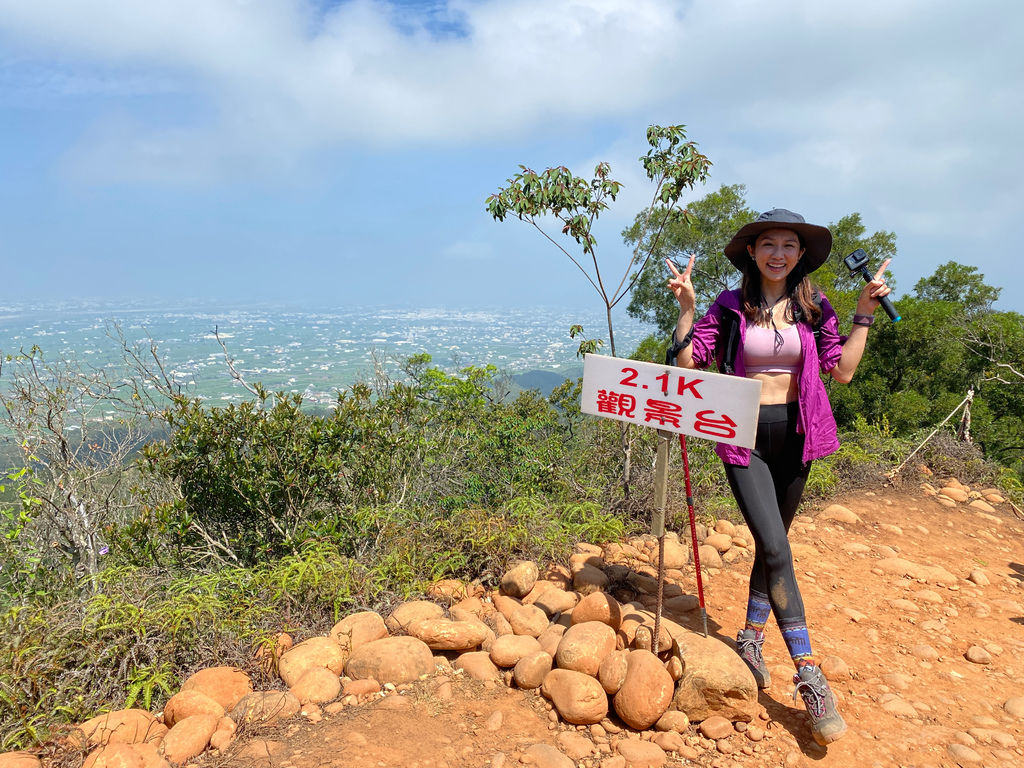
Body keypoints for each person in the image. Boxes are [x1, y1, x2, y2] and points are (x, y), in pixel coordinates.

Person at [665, 208, 891, 746]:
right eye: (768, 243)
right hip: (742, 436)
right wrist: (687, 310)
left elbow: (844, 370)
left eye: (789, 245)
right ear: (752, 251)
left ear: (800, 255)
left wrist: (863, 314)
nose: (778, 253)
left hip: (799, 433)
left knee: (775, 549)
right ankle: (810, 676)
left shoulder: (815, 308)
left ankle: (749, 638)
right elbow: (688, 364)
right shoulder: (728, 305)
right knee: (776, 548)